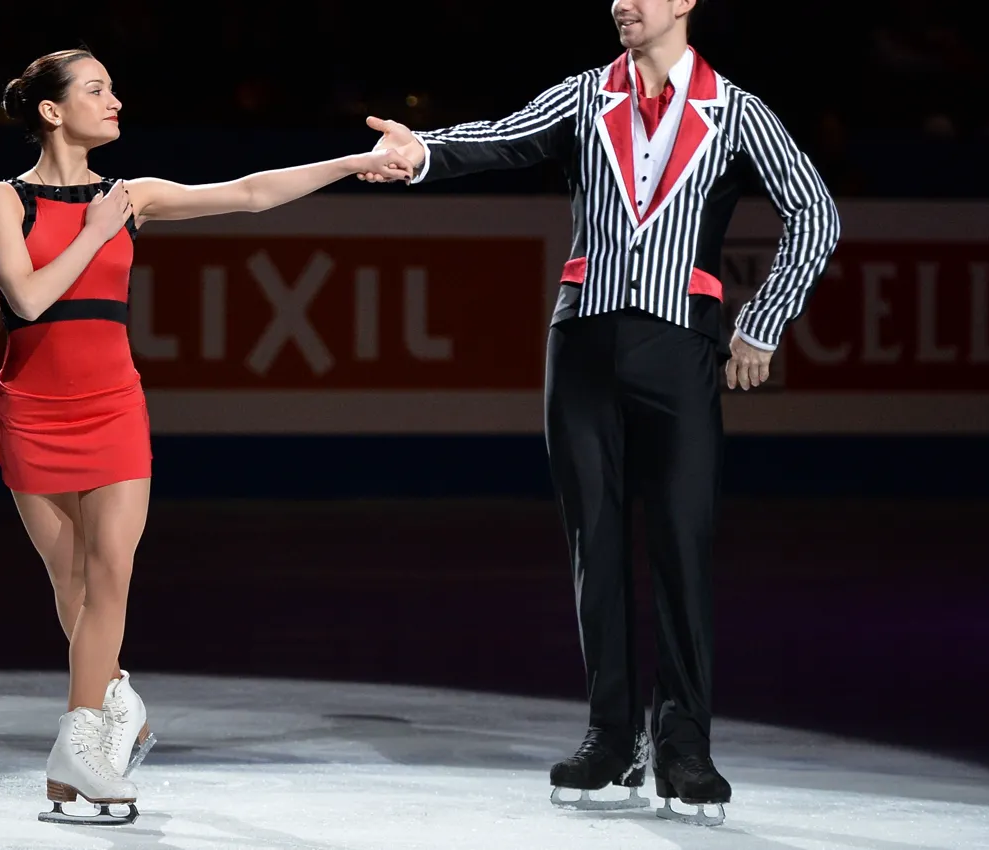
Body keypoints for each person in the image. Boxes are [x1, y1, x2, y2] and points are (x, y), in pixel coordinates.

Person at [359, 0, 840, 826]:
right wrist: (423, 152)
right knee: (597, 545)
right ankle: (610, 737)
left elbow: (816, 213)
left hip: (679, 347)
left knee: (682, 543)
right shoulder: (588, 94)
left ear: (685, 2)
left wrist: (760, 323)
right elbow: (505, 135)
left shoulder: (737, 111)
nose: (624, 2)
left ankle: (684, 743)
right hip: (580, 340)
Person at [0, 48, 415, 826]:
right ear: (51, 111)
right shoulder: (3, 202)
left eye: (113, 88)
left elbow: (249, 194)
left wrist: (354, 159)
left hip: (114, 403)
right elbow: (29, 297)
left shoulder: (132, 194)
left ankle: (77, 746)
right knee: (72, 586)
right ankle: (115, 716)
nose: (115, 102)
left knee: (111, 573)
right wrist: (97, 228)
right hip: (33, 407)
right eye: (96, 90)